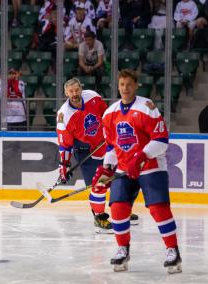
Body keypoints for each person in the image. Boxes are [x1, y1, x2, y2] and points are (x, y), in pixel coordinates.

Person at [92, 69, 181, 274]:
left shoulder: (147, 108)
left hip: (151, 167)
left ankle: (172, 250)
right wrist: (106, 168)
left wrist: (140, 157)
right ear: (118, 85)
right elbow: (111, 147)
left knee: (159, 209)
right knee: (117, 208)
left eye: (129, 85)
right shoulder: (110, 113)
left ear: (136, 85)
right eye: (122, 85)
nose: (125, 88)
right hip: (123, 169)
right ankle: (123, 248)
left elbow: (161, 140)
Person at [56, 77, 114, 233]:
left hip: (105, 145)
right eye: (71, 91)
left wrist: (112, 133)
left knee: (117, 179)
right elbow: (64, 144)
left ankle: (121, 210)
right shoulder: (64, 115)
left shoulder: (93, 97)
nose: (74, 94)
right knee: (98, 185)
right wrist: (64, 165)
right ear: (65, 93)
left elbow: (108, 116)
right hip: (85, 151)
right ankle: (99, 218)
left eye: (76, 90)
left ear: (81, 89)